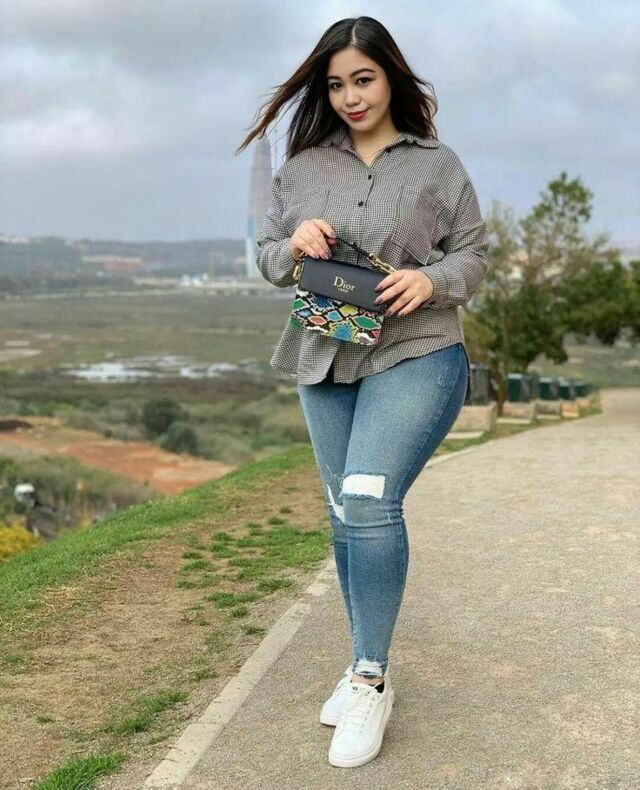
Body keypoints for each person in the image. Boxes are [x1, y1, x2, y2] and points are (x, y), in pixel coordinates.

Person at [237, 15, 489, 769]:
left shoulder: (438, 166)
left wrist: (431, 279)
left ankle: (372, 680)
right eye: (337, 84)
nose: (351, 96)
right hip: (325, 355)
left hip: (418, 352)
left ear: (391, 78)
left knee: (371, 498)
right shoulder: (302, 168)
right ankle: (359, 664)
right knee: (345, 509)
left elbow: (474, 256)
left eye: (364, 79)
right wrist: (294, 244)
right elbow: (268, 259)